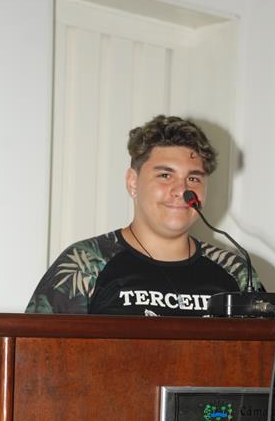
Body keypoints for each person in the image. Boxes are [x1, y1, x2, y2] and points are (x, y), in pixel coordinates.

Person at [26, 115, 262, 316]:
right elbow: (34, 350)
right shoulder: (85, 264)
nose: (182, 190)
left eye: (193, 178)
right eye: (165, 176)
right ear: (133, 182)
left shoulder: (236, 272)